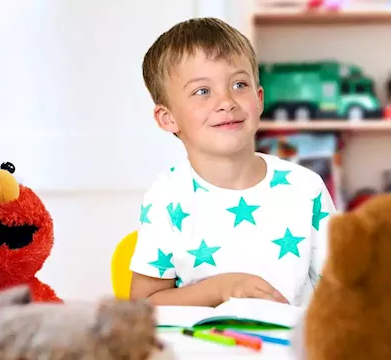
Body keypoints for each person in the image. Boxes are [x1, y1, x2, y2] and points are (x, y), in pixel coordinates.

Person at [128, 17, 337, 307]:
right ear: (168, 118)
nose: (226, 102)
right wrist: (221, 288)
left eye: (239, 84)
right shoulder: (167, 197)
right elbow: (142, 305)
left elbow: (344, 290)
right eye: (202, 91)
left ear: (259, 98)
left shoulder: (306, 188)